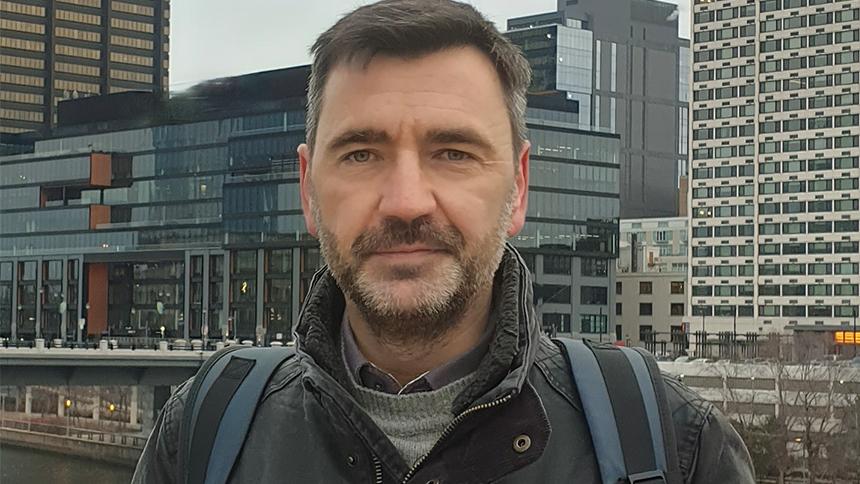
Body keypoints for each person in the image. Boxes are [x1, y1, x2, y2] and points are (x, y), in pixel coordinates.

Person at [132, 1, 755, 482]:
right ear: (307, 188)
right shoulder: (204, 435)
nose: (406, 200)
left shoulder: (672, 446)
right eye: (360, 153)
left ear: (518, 186)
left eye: (453, 153)